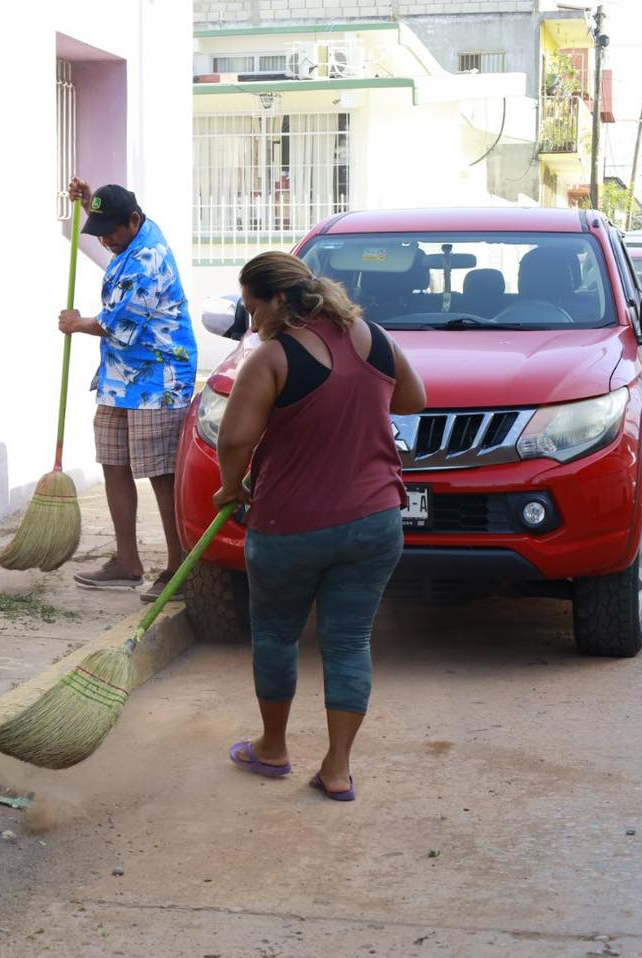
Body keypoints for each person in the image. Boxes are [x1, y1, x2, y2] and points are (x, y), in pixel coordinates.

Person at [214, 252, 426, 801]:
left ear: (279, 300)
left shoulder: (272, 358)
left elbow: (235, 438)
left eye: (253, 306)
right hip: (375, 520)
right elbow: (414, 398)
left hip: (291, 525)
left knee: (278, 635)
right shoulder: (372, 337)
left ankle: (273, 748)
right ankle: (337, 769)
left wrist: (230, 487)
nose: (251, 320)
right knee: (350, 641)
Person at [58, 177, 197, 601]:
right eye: (98, 232)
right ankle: (126, 561)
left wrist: (76, 323)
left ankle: (178, 569)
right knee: (113, 461)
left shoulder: (147, 260)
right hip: (120, 376)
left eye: (110, 233)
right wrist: (88, 205)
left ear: (134, 221)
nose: (104, 241)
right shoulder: (130, 235)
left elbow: (117, 324)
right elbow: (112, 230)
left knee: (161, 473)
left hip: (159, 377)